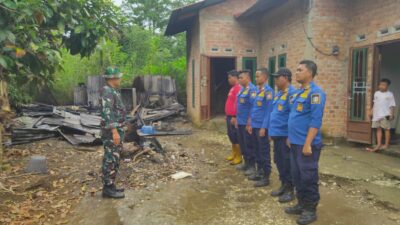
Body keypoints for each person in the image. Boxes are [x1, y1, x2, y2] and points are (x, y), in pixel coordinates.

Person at [285, 60, 326, 225]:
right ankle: (301, 204)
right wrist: (290, 137)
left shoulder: (316, 93)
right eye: (296, 69)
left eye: (299, 70)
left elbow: (316, 121)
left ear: (309, 73)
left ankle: (310, 210)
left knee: (308, 177)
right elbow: (294, 117)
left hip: (307, 145)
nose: (296, 73)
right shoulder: (298, 93)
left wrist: (308, 143)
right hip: (295, 142)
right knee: (297, 176)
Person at [269, 68, 296, 202]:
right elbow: (275, 114)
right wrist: (271, 131)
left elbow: (293, 116)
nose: (275, 80)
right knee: (279, 161)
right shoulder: (279, 94)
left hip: (285, 136)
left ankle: (290, 190)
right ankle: (283, 185)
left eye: (277, 77)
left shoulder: (292, 94)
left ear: (285, 78)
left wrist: (290, 136)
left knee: (286, 163)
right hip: (277, 134)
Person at [100, 66, 127, 199]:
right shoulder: (107, 91)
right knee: (110, 158)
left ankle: (111, 186)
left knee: (115, 158)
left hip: (117, 131)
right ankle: (107, 188)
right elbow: (107, 112)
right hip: (112, 133)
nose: (120, 78)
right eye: (118, 76)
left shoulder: (112, 90)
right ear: (113, 78)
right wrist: (115, 131)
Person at [247, 68, 274, 187]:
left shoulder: (269, 92)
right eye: (255, 76)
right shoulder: (255, 91)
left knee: (264, 152)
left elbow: (269, 111)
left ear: (265, 77)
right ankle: (259, 171)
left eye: (258, 76)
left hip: (262, 127)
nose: (256, 78)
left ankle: (266, 176)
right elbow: (253, 108)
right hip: (254, 125)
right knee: (256, 150)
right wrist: (250, 123)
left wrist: (264, 127)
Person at [235, 70, 257, 176]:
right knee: (242, 143)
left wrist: (250, 120)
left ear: (247, 78)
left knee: (249, 144)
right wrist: (236, 119)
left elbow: (254, 106)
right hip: (240, 121)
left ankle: (252, 166)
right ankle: (246, 163)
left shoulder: (252, 90)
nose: (239, 80)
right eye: (238, 78)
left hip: (247, 122)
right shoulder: (242, 90)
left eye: (241, 78)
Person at [367, 78, 396, 152]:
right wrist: (371, 111)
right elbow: (375, 103)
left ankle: (386, 145)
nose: (381, 86)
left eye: (383, 85)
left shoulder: (390, 94)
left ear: (387, 86)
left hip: (385, 114)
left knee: (386, 129)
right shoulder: (376, 93)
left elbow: (392, 105)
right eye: (380, 85)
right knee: (378, 129)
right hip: (377, 114)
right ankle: (379, 144)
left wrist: (392, 114)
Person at [224, 70, 242, 165]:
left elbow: (238, 104)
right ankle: (234, 154)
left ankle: (239, 156)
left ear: (235, 77)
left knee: (235, 136)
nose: (228, 79)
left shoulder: (238, 88)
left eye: (230, 77)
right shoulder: (232, 88)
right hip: (229, 116)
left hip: (233, 117)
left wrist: (235, 116)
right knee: (231, 135)